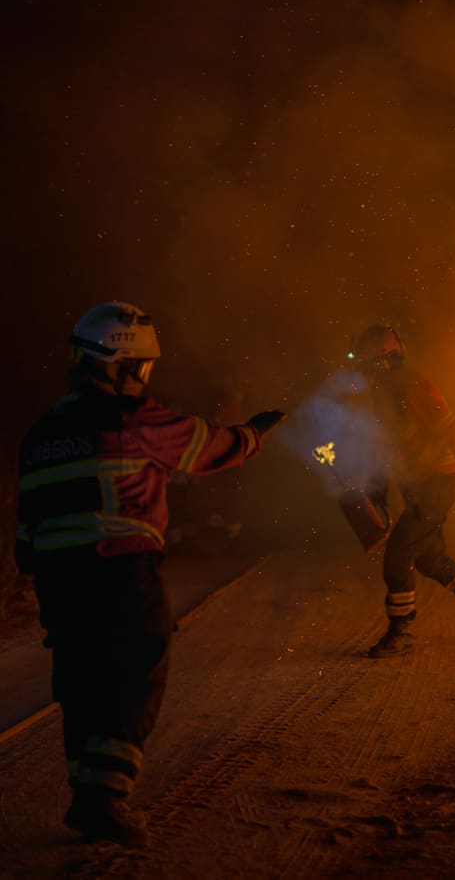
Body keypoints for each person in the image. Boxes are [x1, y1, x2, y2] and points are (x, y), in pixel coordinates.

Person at [14, 301, 286, 848]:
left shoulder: (42, 433)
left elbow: (26, 531)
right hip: (121, 566)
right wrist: (254, 434)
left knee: (82, 678)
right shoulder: (136, 419)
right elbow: (211, 447)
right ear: (127, 365)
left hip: (57, 578)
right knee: (140, 664)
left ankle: (88, 794)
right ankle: (106, 797)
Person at [347, 322, 455, 657]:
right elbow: (392, 444)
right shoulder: (383, 391)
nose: (367, 373)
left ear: (388, 360)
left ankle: (401, 631)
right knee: (430, 559)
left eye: (370, 366)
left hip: (437, 482)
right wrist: (379, 486)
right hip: (416, 482)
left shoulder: (414, 386)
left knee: (399, 555)